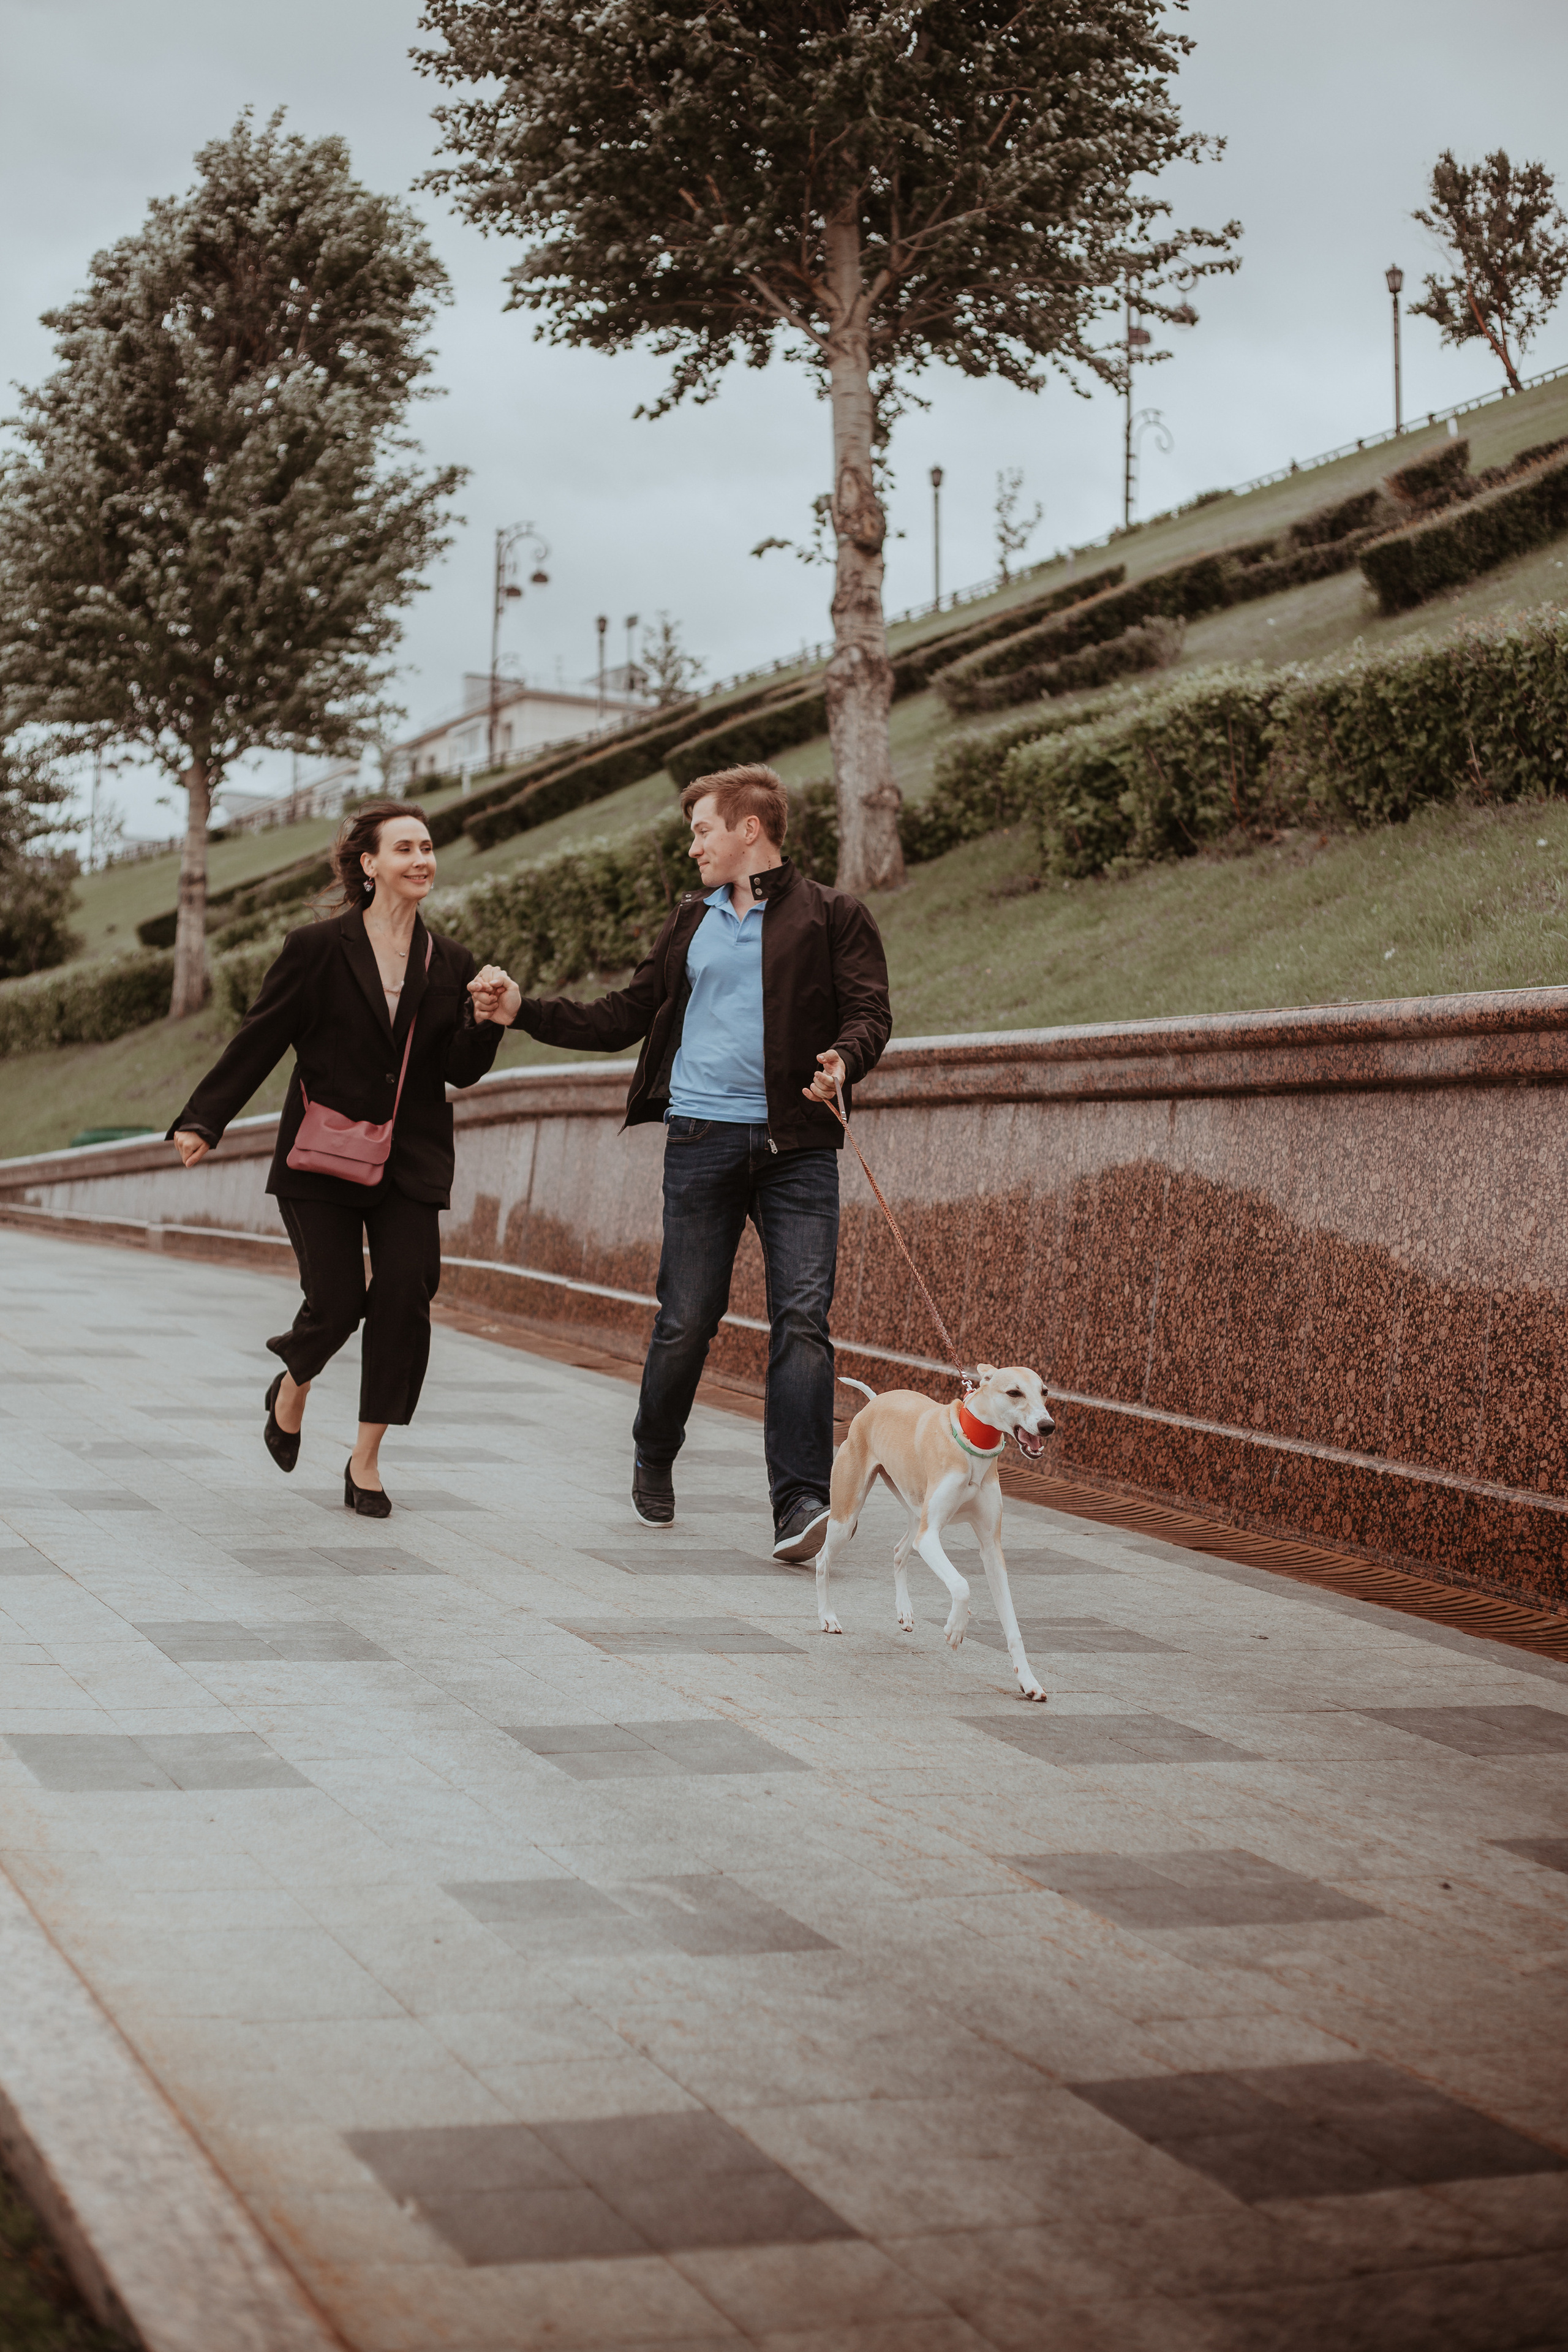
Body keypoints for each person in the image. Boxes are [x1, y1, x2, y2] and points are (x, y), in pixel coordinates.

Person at [472, 763, 891, 1562]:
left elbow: (869, 1010)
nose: (693, 844)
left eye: (702, 829)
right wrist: (524, 1012)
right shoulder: (689, 922)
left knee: (802, 1319)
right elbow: (623, 1016)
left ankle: (800, 1500)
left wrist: (844, 1058)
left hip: (797, 1148)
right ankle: (654, 1447)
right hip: (700, 1141)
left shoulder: (833, 916)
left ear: (749, 830)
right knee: (688, 1318)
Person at [168, 802, 520, 1518]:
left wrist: (482, 1023)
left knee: (403, 1295)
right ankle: (293, 1382)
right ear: (369, 865)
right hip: (320, 1152)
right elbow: (260, 1037)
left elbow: (457, 1070)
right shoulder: (315, 947)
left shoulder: (446, 962)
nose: (421, 859)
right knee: (334, 1304)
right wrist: (205, 1117)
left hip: (410, 1159)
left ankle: (366, 1459)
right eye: (404, 849)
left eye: (427, 846)